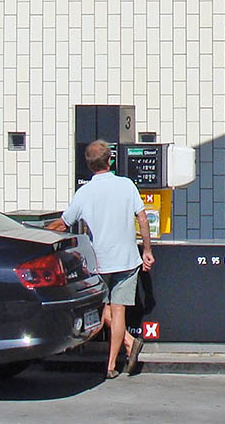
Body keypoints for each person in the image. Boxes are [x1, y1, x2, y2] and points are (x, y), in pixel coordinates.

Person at [47, 140, 155, 378]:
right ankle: (113, 363)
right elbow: (143, 219)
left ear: (89, 165)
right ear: (111, 160)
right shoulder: (126, 185)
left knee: (99, 307)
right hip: (127, 259)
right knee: (119, 312)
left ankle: (125, 347)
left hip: (99, 261)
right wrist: (146, 250)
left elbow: (64, 223)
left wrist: (39, 235)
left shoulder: (84, 192)